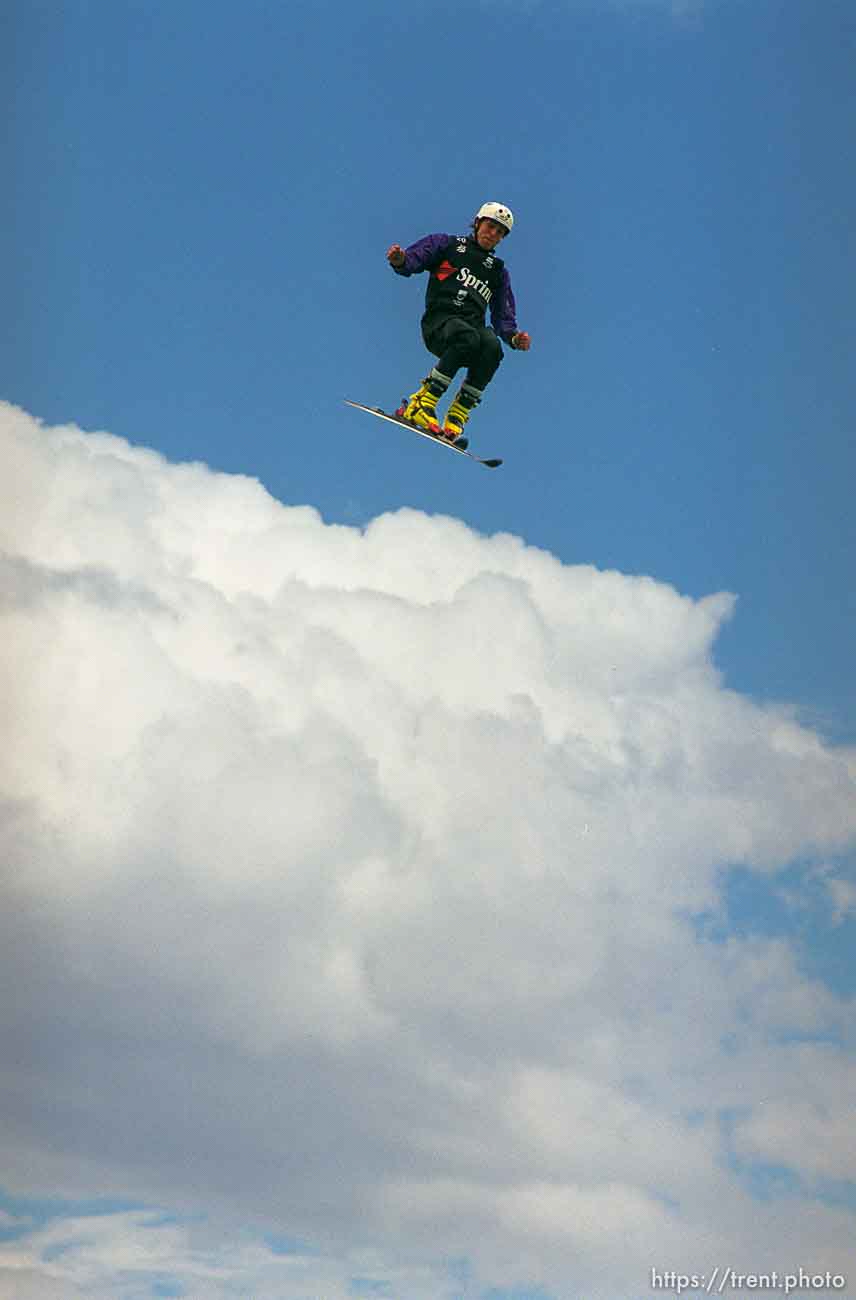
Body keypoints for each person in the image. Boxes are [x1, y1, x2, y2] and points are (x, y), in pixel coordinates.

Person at [386, 202, 531, 448]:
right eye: (490, 226)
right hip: (440, 326)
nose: (492, 234)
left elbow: (502, 315)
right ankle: (422, 402)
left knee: (492, 347)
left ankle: (457, 414)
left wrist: (514, 337)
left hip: (470, 337)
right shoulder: (448, 245)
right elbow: (414, 259)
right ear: (477, 223)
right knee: (468, 336)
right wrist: (401, 260)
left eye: (500, 232)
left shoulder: (497, 271)